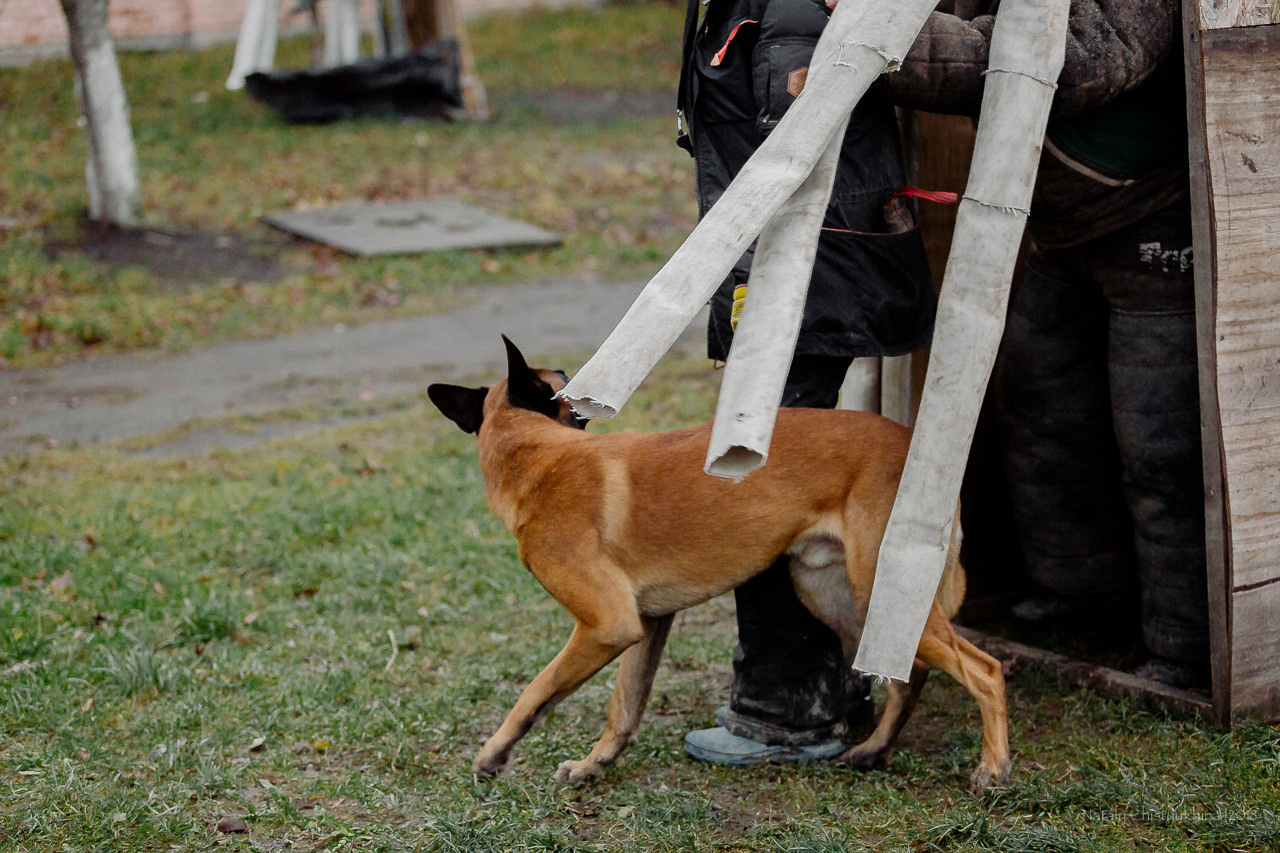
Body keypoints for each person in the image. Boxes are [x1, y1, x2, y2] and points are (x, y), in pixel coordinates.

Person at [874, 0, 1209, 689]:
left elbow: (1084, 54)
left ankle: (1186, 645)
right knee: (1036, 401)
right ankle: (1080, 592)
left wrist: (874, 37)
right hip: (1059, 224)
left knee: (1161, 443)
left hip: (1151, 217)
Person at [676, 0, 939, 762]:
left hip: (809, 269)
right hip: (780, 266)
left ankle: (787, 710)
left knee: (759, 482)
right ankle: (832, 679)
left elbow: (788, 144)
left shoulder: (797, 7)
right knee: (765, 473)